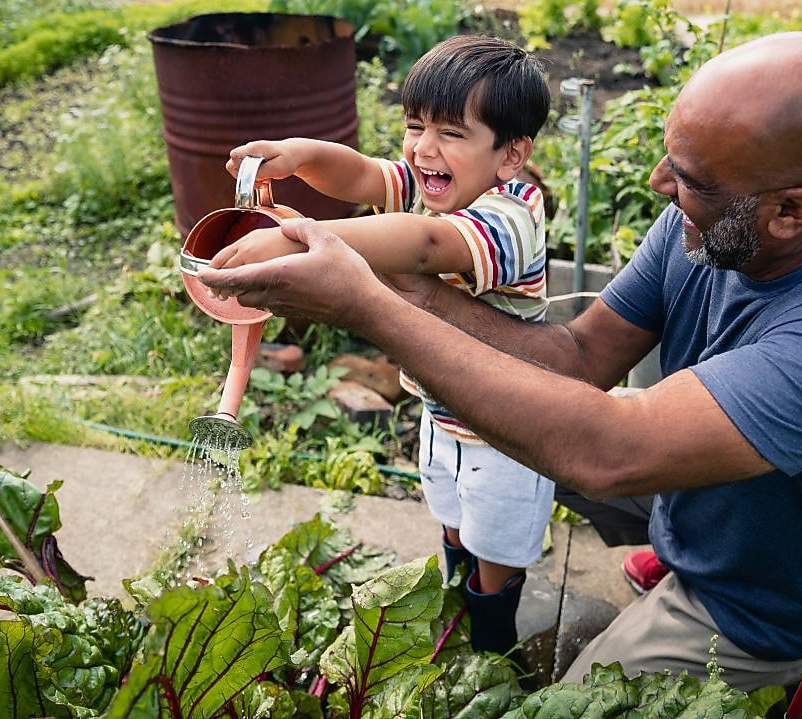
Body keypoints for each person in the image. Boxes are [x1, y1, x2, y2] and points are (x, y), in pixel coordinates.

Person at [200, 31, 802, 692]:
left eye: (690, 180)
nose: (661, 186)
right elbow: (577, 359)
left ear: (790, 211)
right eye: (672, 159)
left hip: (764, 599)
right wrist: (385, 279)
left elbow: (608, 450)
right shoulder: (708, 224)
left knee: (573, 695)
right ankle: (667, 545)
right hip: (690, 492)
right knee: (516, 436)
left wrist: (364, 300)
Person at [211, 35, 554, 655]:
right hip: (441, 410)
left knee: (497, 545)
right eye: (415, 125)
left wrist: (298, 240)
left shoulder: (511, 218)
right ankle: (455, 607)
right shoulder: (433, 183)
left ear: (511, 154)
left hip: (510, 429)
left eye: (451, 133)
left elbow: (426, 245)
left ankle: (493, 646)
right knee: (451, 519)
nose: (424, 148)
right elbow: (364, 174)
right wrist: (298, 155)